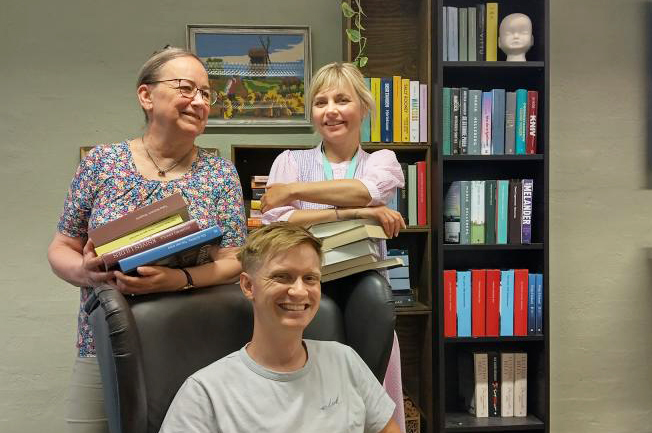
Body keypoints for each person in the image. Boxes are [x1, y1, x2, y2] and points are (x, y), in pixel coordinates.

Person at [47, 47, 247, 432]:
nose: (200, 101)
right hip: (104, 342)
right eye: (186, 88)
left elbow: (235, 260)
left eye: (207, 94)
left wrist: (178, 279)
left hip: (193, 343)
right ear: (146, 96)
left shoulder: (221, 174)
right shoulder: (102, 163)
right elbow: (61, 248)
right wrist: (87, 273)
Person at [260, 61, 407, 430]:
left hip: (365, 291)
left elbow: (365, 190)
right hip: (306, 289)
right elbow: (277, 224)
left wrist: (293, 192)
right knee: (318, 397)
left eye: (342, 99)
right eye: (321, 102)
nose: (331, 111)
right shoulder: (289, 160)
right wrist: (360, 215)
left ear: (363, 107)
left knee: (371, 395)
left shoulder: (382, 161)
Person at [159, 223, 401, 433]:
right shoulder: (205, 393)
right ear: (248, 286)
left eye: (310, 278)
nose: (299, 291)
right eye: (282, 277)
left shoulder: (345, 360)